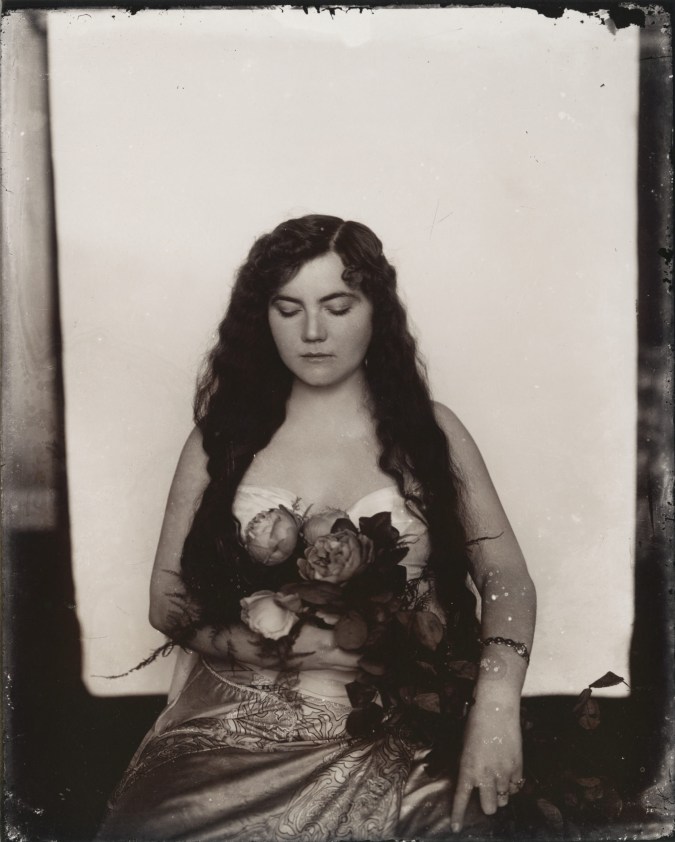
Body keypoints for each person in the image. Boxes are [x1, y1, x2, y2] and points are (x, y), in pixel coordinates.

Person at [98, 215, 536, 841]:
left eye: (337, 306)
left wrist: (496, 710)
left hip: (395, 726)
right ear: (262, 318)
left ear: (375, 310)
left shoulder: (432, 432)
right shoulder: (221, 436)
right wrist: (276, 648)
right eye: (287, 309)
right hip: (234, 728)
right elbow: (167, 600)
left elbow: (506, 576)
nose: (311, 333)